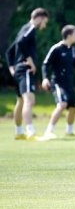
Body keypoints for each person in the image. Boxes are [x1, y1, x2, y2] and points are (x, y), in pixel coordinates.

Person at [5, 8, 49, 140]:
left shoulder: (23, 29)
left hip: (19, 69)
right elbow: (20, 43)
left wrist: (12, 68)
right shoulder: (30, 28)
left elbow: (9, 51)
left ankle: (19, 132)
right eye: (45, 22)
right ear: (40, 18)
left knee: (20, 101)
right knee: (29, 100)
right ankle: (31, 133)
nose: (44, 25)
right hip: (25, 70)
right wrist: (31, 61)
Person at [40, 25, 75, 140]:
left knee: (73, 107)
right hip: (57, 83)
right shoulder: (56, 48)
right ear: (69, 35)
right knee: (62, 104)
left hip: (68, 84)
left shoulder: (73, 50)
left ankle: (69, 131)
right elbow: (45, 64)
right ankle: (48, 131)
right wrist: (45, 78)